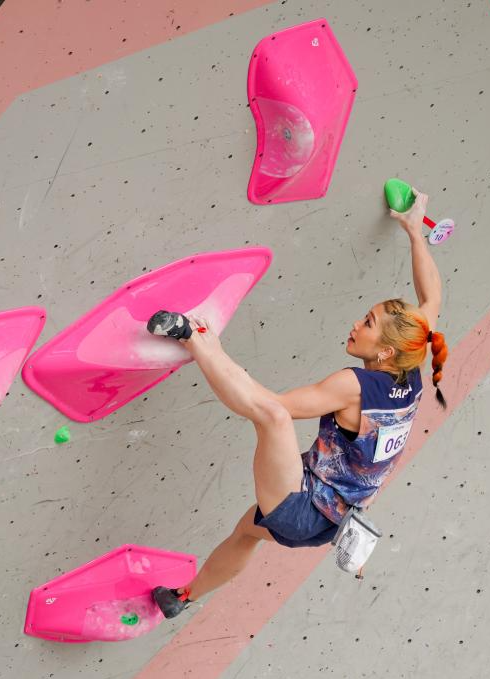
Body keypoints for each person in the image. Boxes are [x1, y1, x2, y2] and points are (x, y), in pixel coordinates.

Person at [146, 189, 449, 618]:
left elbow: (271, 405)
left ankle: (191, 335)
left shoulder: (353, 385)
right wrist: (415, 230)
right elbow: (432, 300)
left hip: (303, 507)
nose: (356, 325)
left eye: (367, 324)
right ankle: (182, 598)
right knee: (246, 534)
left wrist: (213, 351)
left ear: (383, 353)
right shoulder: (411, 366)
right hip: (329, 524)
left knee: (271, 416)